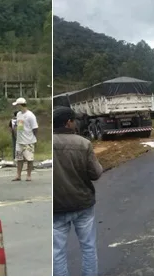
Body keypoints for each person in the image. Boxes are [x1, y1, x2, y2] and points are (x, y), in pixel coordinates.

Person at [52, 106, 103, 276]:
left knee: (57, 251)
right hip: (82, 203)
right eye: (74, 120)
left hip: (56, 207)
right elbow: (95, 174)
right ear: (68, 122)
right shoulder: (83, 143)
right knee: (88, 247)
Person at [12, 97, 38, 182]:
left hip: (28, 141)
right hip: (19, 141)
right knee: (19, 159)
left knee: (29, 159)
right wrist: (16, 134)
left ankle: (29, 175)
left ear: (20, 105)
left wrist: (33, 138)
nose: (16, 107)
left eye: (17, 105)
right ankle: (18, 175)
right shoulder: (19, 114)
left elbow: (35, 128)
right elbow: (18, 125)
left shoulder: (30, 115)